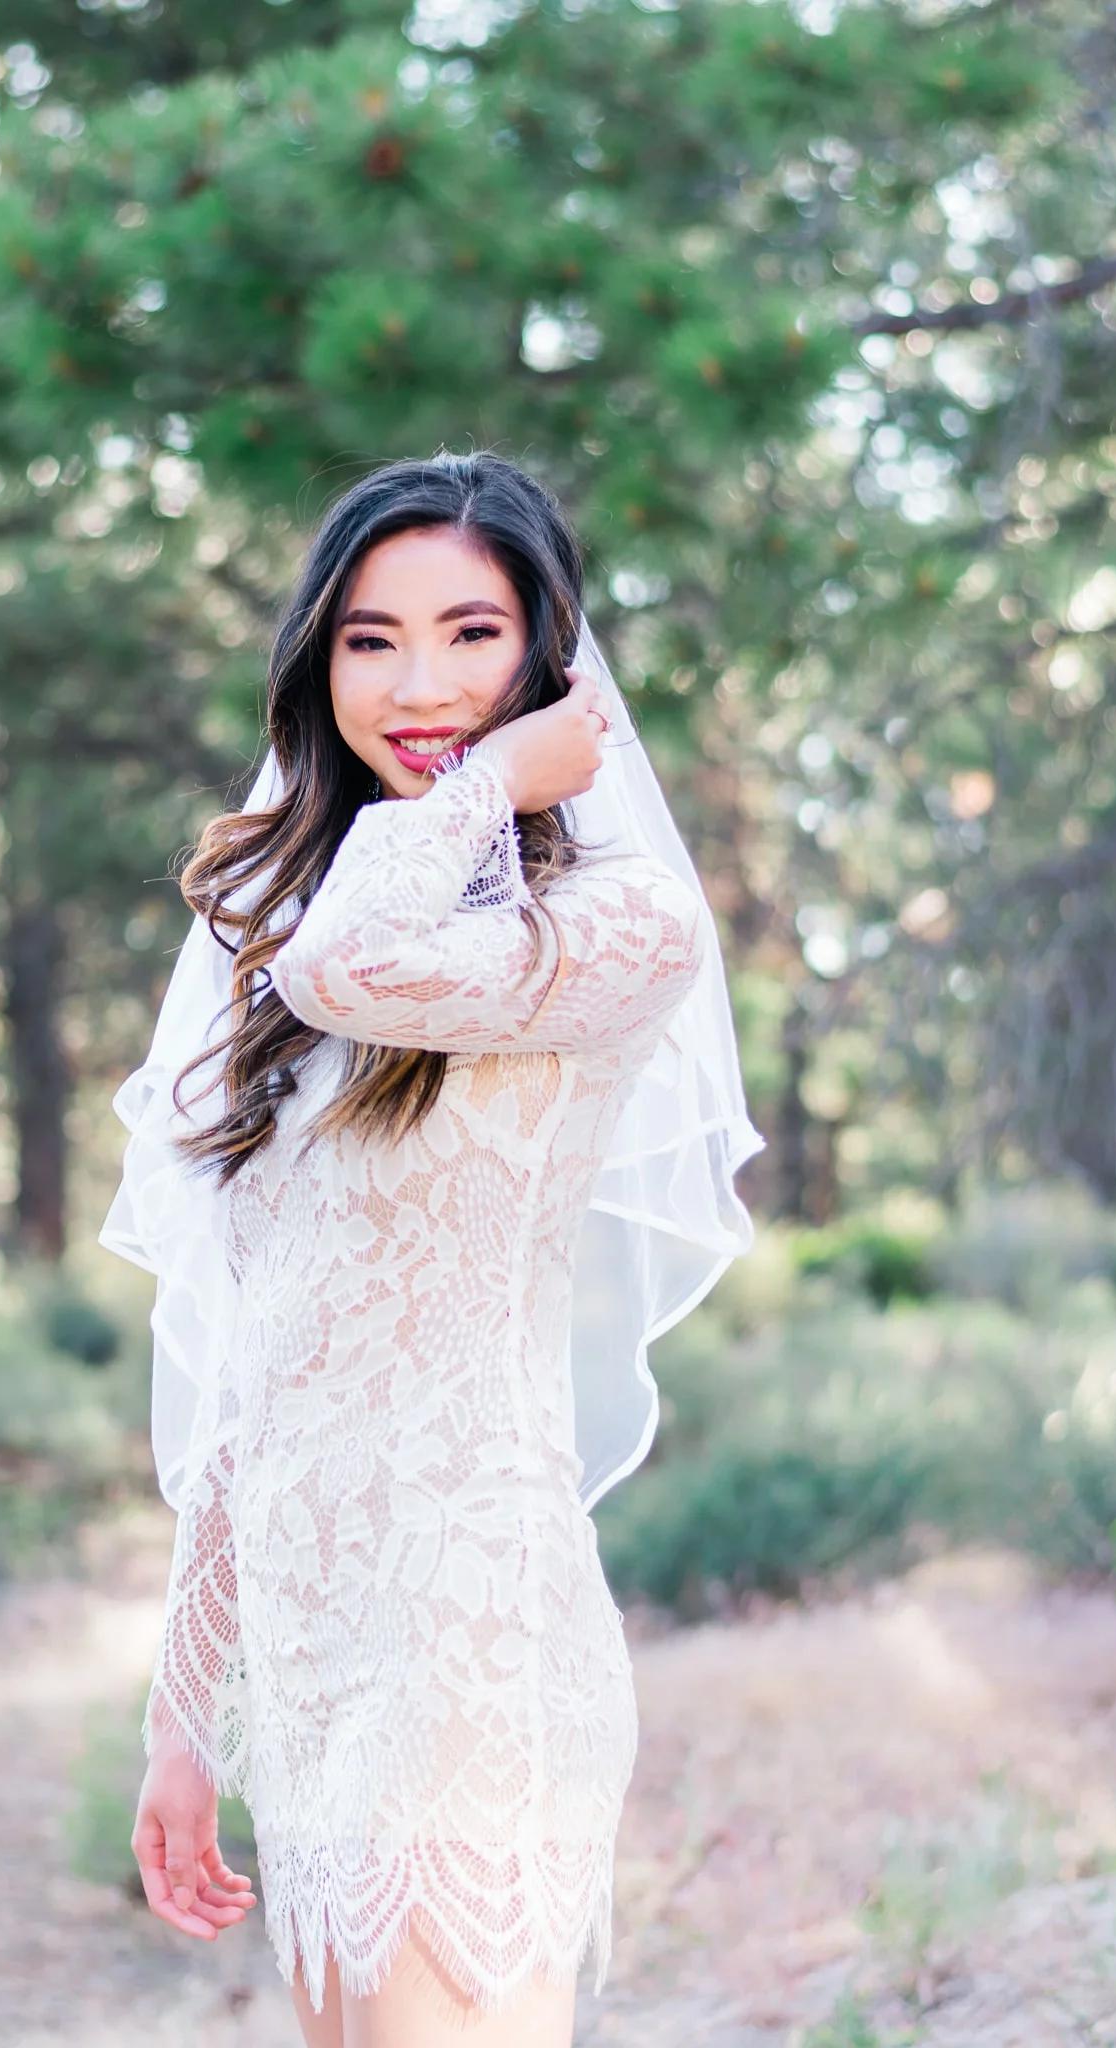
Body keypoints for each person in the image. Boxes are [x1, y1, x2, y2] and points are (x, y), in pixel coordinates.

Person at [100, 453, 758, 2048]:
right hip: (312, 1658)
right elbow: (268, 1360)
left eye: (472, 634)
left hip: (471, 1639)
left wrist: (492, 784)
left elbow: (352, 962)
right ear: (318, 666)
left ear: (550, 659)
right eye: (370, 641)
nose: (420, 688)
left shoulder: (618, 926)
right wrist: (186, 1715)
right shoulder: (299, 947)